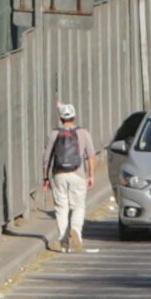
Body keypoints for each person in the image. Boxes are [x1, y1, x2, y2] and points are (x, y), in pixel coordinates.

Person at [43, 103, 97, 253]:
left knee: (61, 208)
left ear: (60, 118)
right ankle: (76, 230)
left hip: (59, 174)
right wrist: (91, 175)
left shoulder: (54, 134)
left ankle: (63, 241)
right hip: (78, 174)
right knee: (78, 206)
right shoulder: (83, 133)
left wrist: (45, 178)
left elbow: (47, 157)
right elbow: (91, 156)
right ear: (74, 116)